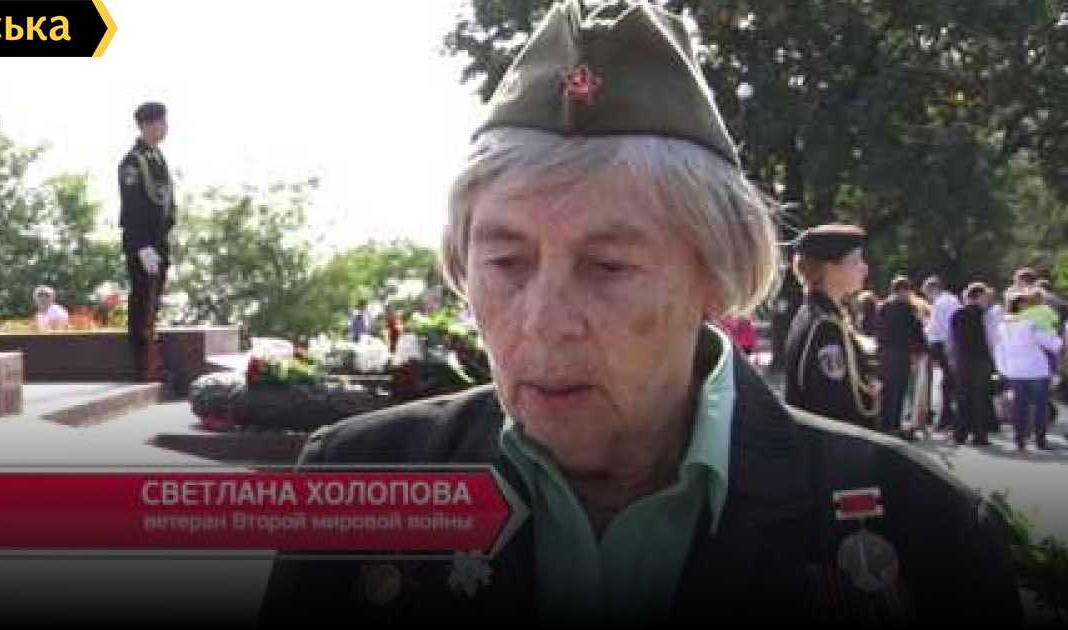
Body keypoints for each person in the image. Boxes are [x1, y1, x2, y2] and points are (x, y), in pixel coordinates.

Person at [258, 2, 1022, 626]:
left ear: (716, 278)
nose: (545, 320)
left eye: (608, 267)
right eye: (506, 262)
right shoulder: (356, 483)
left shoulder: (922, 529)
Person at [782, 224, 879, 429]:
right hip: (829, 443)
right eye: (856, 261)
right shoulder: (825, 327)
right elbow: (834, 408)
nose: (864, 268)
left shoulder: (815, 314)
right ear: (830, 268)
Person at [119, 101, 175, 380]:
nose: (165, 127)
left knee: (154, 302)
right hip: (142, 244)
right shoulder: (133, 161)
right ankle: (142, 363)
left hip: (158, 241)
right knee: (142, 300)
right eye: (161, 122)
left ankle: (153, 360)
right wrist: (142, 246)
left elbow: (167, 203)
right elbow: (133, 208)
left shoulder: (157, 158)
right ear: (146, 125)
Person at [997, 289, 1062, 450]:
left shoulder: (1002, 326)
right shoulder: (1031, 323)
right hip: (1036, 370)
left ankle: (1020, 440)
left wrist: (1004, 370)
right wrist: (1056, 334)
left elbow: (999, 350)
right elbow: (1053, 345)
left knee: (1020, 406)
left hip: (1014, 371)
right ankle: (1040, 441)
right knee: (1040, 406)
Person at [874, 276, 926, 438]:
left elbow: (878, 331)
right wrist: (920, 350)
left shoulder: (883, 307)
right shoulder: (909, 309)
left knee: (887, 390)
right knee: (898, 390)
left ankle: (884, 424)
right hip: (901, 354)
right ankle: (894, 425)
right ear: (904, 290)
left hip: (885, 354)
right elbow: (916, 332)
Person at [949, 283, 999, 446]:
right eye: (984, 297)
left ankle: (959, 434)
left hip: (962, 361)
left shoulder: (957, 314)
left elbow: (952, 339)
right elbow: (990, 339)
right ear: (978, 297)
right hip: (980, 361)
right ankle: (979, 435)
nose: (987, 300)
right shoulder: (984, 315)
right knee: (980, 398)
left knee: (963, 397)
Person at [921, 275, 961, 430]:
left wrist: (925, 331)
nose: (927, 297)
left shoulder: (940, 303)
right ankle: (949, 416)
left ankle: (946, 418)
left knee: (947, 383)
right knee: (949, 382)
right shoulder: (952, 299)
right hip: (951, 343)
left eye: (927, 293)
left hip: (943, 345)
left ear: (933, 289)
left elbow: (939, 327)